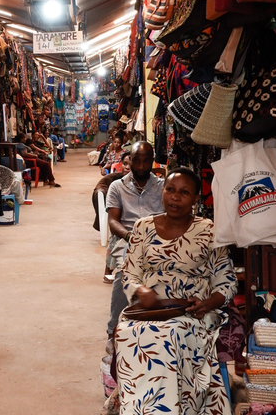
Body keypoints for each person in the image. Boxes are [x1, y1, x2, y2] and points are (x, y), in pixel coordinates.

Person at [115, 168, 236, 414]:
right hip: (148, 310)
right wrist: (140, 290)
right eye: (170, 190)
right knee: (126, 332)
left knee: (170, 334)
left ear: (195, 199)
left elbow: (227, 281)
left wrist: (208, 304)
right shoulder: (142, 228)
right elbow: (129, 273)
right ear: (162, 192)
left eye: (184, 192)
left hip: (192, 312)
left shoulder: (209, 230)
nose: (175, 197)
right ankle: (137, 408)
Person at [105, 142, 164, 339]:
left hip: (158, 240)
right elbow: (113, 221)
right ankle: (114, 330)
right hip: (127, 238)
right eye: (136, 161)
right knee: (125, 273)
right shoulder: (117, 187)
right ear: (129, 160)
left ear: (151, 161)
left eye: (146, 161)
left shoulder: (163, 187)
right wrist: (132, 237)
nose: (140, 166)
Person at [92, 152, 130, 283]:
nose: (127, 167)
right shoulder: (116, 183)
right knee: (116, 237)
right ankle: (108, 271)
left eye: (131, 164)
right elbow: (113, 216)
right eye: (125, 164)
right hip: (121, 219)